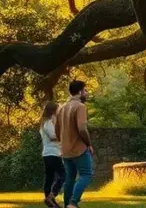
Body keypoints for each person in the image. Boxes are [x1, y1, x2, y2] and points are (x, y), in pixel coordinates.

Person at [55, 80, 93, 208]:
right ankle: (73, 203)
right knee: (86, 174)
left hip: (65, 150)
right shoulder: (80, 106)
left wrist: (64, 141)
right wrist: (89, 144)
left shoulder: (61, 108)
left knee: (69, 179)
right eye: (85, 90)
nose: (86, 93)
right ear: (80, 91)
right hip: (79, 149)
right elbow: (82, 128)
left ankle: (67, 205)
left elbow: (56, 130)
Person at [40, 101, 65, 208]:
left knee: (50, 177)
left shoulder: (47, 122)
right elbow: (52, 136)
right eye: (58, 109)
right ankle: (51, 196)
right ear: (53, 111)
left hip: (50, 154)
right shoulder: (47, 122)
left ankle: (51, 202)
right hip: (52, 154)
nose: (59, 111)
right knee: (64, 175)